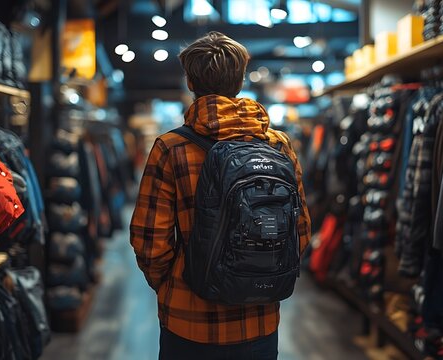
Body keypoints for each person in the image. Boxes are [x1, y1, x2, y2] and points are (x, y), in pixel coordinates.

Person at [130, 31, 311, 360]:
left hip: (188, 321)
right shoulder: (277, 144)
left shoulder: (170, 148)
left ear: (190, 81)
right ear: (240, 79)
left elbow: (149, 241)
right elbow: (300, 231)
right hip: (259, 318)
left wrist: (174, 285)